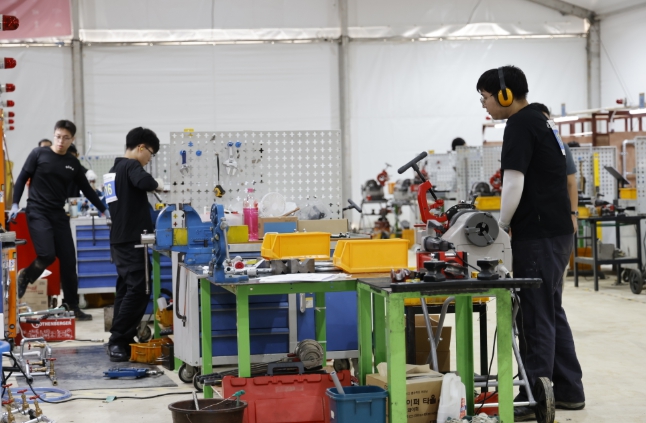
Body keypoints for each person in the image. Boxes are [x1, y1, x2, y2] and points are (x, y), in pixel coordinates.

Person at [477, 66, 585, 420]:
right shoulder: (542, 121)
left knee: (536, 316)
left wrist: (501, 225)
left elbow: (513, 182)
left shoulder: (520, 124)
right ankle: (568, 391)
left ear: (505, 95)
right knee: (551, 310)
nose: (484, 105)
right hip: (557, 233)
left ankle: (536, 399)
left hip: (537, 236)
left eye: (486, 98)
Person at [10, 120, 109, 321]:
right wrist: (14, 204)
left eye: (65, 138)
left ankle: (72, 305)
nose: (60, 141)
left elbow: (87, 189)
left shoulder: (73, 164)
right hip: (37, 211)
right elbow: (21, 178)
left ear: (72, 139)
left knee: (69, 261)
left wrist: (103, 209)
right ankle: (26, 275)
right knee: (47, 255)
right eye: (58, 136)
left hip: (58, 214)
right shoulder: (38, 154)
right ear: (54, 134)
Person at [106, 127, 163, 362]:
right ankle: (118, 340)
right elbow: (145, 182)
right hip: (131, 241)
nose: (149, 159)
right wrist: (160, 184)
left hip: (120, 239)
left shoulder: (113, 171)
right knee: (139, 290)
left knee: (126, 289)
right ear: (141, 147)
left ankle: (122, 338)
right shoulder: (131, 165)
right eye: (150, 153)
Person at [531, 102, 578, 233]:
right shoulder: (525, 149)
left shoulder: (562, 148)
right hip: (532, 221)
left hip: (559, 219)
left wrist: (573, 214)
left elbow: (571, 184)